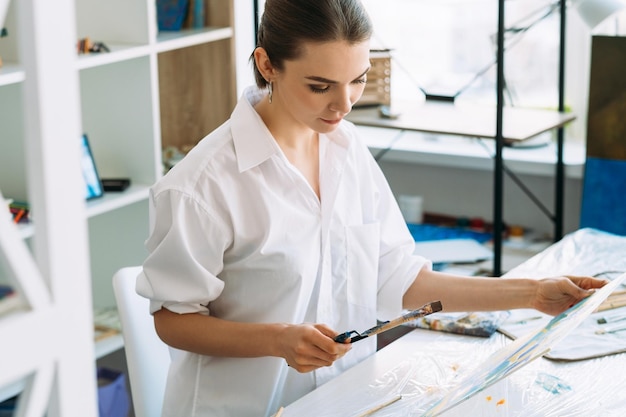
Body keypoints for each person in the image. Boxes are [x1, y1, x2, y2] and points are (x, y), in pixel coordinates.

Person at [136, 1, 607, 416]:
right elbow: (173, 320)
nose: (343, 104)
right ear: (267, 65)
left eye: (357, 80)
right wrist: (277, 340)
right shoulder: (202, 185)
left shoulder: (345, 148)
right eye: (320, 86)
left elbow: (399, 278)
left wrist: (532, 293)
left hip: (345, 399)